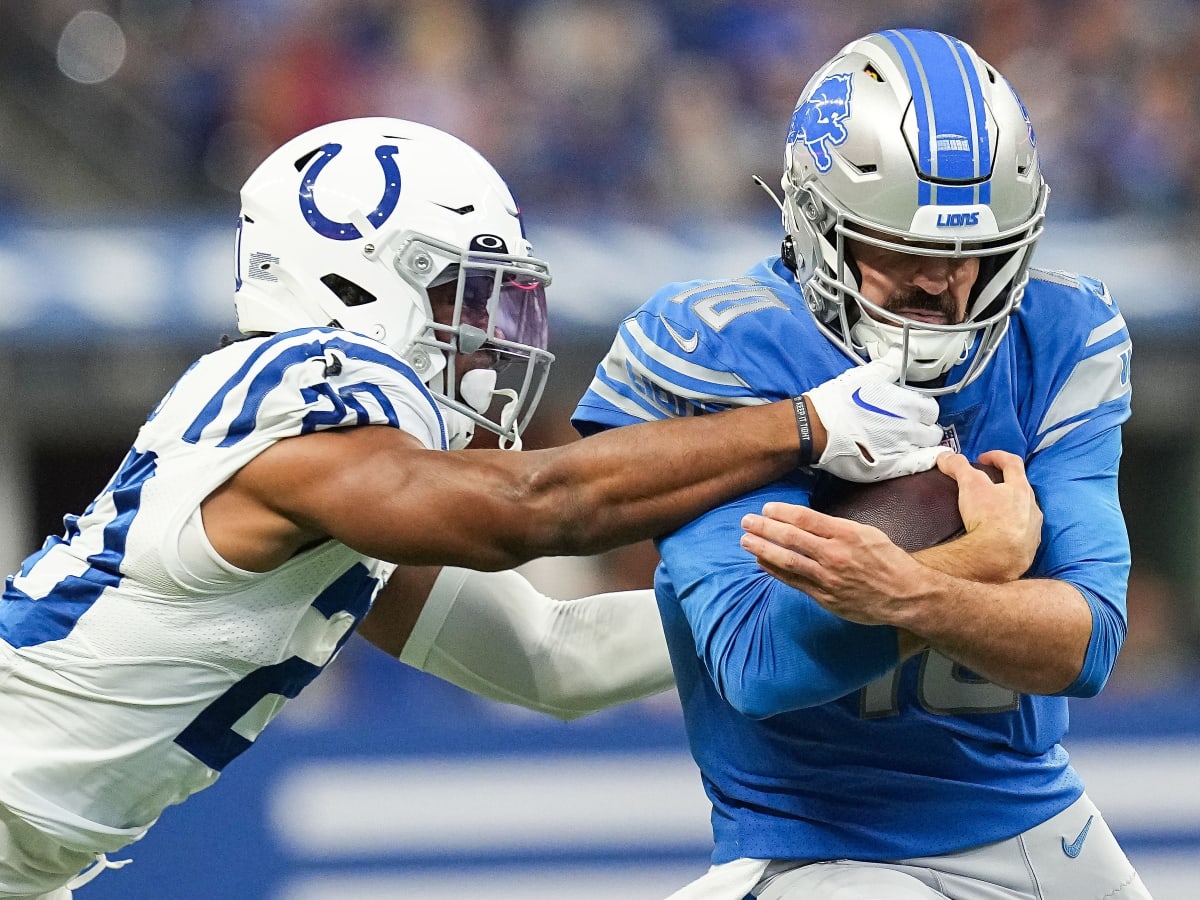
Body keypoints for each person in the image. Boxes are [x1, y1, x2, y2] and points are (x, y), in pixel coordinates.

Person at [0, 116, 951, 900]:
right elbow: (531, 509)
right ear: (354, 278)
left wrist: (873, 589)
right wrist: (800, 427)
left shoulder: (339, 488)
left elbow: (553, 660)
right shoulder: (308, 387)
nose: (488, 340)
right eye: (461, 293)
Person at [572, 28, 1149, 900]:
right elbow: (762, 663)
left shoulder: (1059, 335)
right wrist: (964, 571)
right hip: (815, 845)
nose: (942, 283)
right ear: (814, 227)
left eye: (974, 253)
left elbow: (1090, 639)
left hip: (1039, 817)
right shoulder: (725, 346)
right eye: (903, 248)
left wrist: (912, 592)